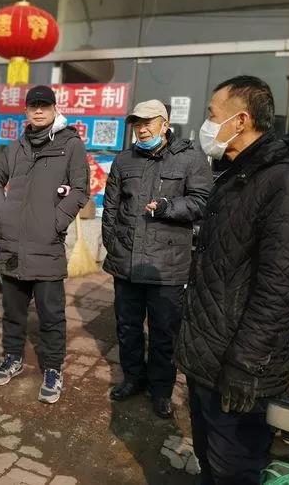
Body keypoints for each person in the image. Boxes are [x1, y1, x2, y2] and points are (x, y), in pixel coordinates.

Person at [175, 76, 289, 485]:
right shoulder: (237, 173)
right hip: (209, 353)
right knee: (209, 460)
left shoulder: (285, 180)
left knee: (233, 469)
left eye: (212, 115)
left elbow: (279, 284)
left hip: (239, 366)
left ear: (240, 120)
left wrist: (245, 364)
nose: (206, 124)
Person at [101, 100, 212, 418]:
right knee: (127, 327)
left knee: (164, 332)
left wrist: (168, 207)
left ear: (165, 124)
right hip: (127, 262)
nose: (142, 129)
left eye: (148, 122)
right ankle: (133, 378)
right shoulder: (124, 160)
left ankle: (161, 390)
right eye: (137, 123)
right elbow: (111, 207)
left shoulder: (190, 158)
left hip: (168, 266)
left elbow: (203, 201)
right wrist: (113, 243)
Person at [0, 85, 90, 404]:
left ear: (55, 109)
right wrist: (1, 212)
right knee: (13, 312)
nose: (39, 110)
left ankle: (53, 369)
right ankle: (12, 357)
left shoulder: (70, 145)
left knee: (51, 315)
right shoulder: (16, 147)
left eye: (45, 105)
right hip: (12, 245)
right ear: (26, 111)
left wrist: (55, 222)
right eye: (33, 106)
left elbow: (80, 190)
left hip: (47, 245)